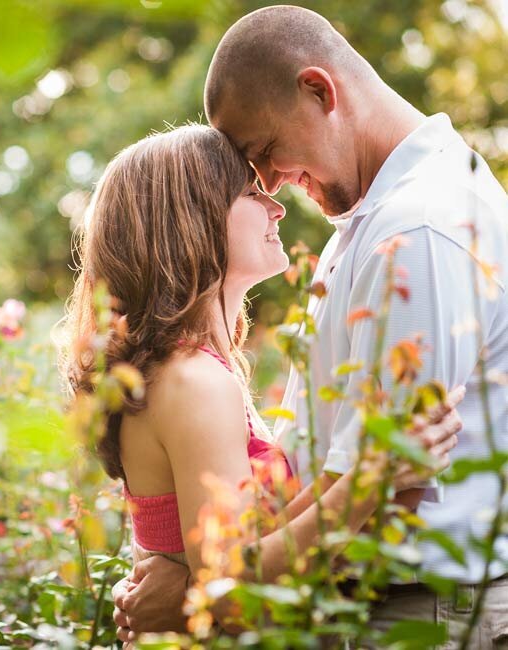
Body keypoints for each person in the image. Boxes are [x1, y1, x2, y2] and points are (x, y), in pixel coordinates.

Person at [112, 5, 508, 646]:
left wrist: (200, 596)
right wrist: (213, 584)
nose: (270, 186)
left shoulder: (418, 228)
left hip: (415, 610)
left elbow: (391, 496)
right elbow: (339, 470)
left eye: (265, 152)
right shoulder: (367, 220)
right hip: (357, 602)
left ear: (319, 91)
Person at [62, 123, 463, 635]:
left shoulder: (194, 370)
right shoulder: (193, 383)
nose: (277, 207)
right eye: (252, 193)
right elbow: (229, 594)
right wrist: (369, 482)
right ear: (193, 218)